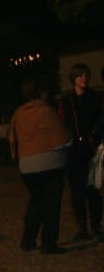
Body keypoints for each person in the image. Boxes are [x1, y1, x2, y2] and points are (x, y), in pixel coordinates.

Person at [10, 78, 72, 254]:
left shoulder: (19, 113)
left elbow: (14, 138)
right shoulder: (46, 111)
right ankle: (49, 243)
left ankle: (28, 240)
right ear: (41, 92)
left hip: (27, 165)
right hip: (50, 162)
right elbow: (61, 136)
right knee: (52, 203)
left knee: (36, 201)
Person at [58, 63, 104, 242]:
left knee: (93, 189)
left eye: (86, 75)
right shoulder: (67, 100)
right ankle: (82, 227)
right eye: (80, 75)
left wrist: (94, 138)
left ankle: (95, 227)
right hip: (74, 150)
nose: (84, 78)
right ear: (74, 79)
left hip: (91, 149)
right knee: (77, 191)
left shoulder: (96, 98)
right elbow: (62, 123)